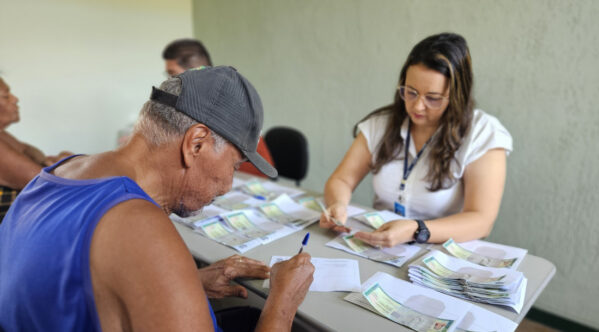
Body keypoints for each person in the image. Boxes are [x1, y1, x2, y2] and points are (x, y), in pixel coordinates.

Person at [0, 66, 314, 331]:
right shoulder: (138, 226)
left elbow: (72, 286)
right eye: (234, 166)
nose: (228, 185)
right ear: (197, 143)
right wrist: (282, 303)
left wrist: (183, 282)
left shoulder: (59, 172)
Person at [319, 33, 512, 248]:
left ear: (457, 96)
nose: (417, 106)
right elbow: (341, 180)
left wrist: (416, 229)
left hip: (439, 250)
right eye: (410, 92)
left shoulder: (483, 133)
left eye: (433, 98)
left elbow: (481, 220)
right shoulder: (381, 124)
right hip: (381, 247)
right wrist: (338, 204)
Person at [162, 38, 274, 178]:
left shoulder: (225, 102)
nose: (169, 81)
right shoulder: (194, 104)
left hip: (247, 178)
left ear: (196, 73)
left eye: (173, 74)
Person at [0, 76, 71, 222]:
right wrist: (66, 166)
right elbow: (46, 183)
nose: (15, 99)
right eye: (6, 96)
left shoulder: (3, 135)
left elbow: (32, 152)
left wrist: (49, 163)